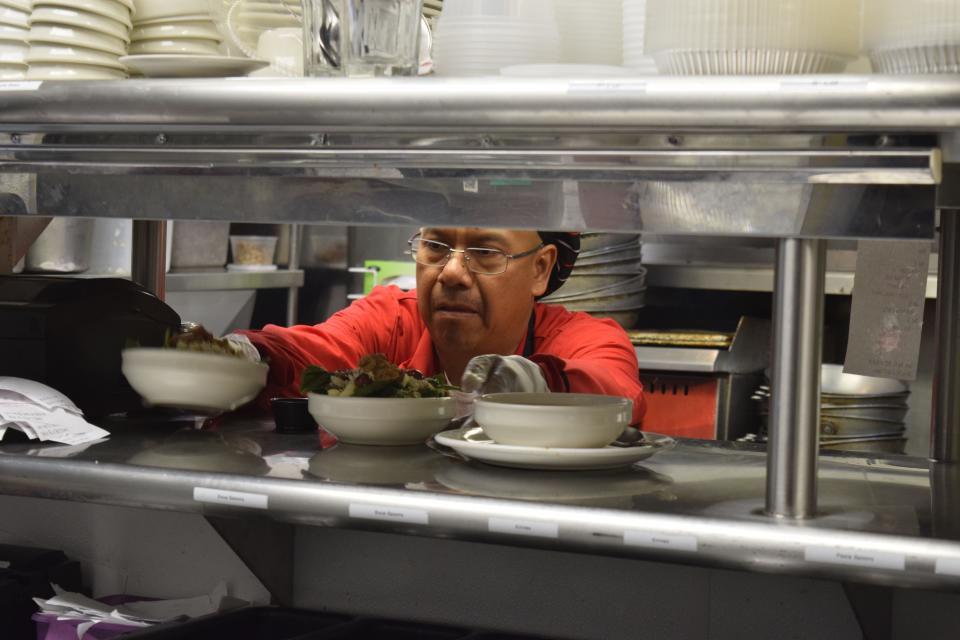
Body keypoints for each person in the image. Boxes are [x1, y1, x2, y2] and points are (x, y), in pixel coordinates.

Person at [233, 227, 646, 425]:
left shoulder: (584, 339)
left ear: (540, 269)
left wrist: (527, 388)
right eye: (436, 247)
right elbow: (311, 351)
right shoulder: (393, 319)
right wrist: (241, 356)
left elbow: (612, 391)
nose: (451, 273)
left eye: (485, 251)